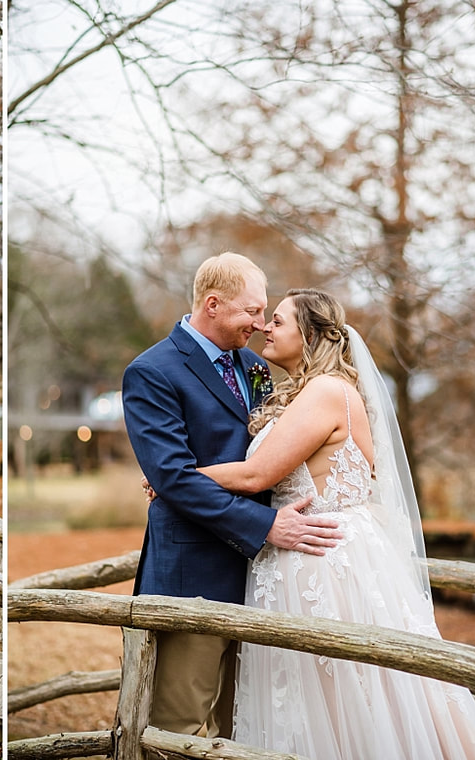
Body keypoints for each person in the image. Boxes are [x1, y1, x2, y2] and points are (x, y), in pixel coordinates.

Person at [196, 288, 475, 758]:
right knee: (323, 699)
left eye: (277, 321)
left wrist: (175, 478)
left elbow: (257, 474)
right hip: (303, 553)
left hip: (324, 563)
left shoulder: (326, 392)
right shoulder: (313, 391)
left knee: (344, 694)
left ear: (312, 334)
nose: (265, 327)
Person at [121, 253, 343, 737]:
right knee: (175, 727)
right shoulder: (152, 372)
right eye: (252, 312)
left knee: (244, 725)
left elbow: (268, 461)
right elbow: (174, 480)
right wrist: (266, 526)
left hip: (266, 582)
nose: (260, 325)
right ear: (214, 304)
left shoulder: (254, 367)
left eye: (265, 313)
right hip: (193, 576)